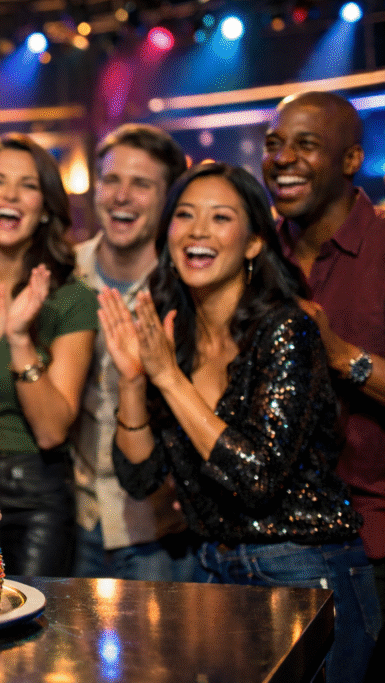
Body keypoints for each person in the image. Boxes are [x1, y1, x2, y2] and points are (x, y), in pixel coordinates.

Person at [103, 162, 379, 683]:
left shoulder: (287, 330)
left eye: (220, 217)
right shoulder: (172, 336)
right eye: (184, 215)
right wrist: (135, 381)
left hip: (305, 571)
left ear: (254, 243)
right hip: (214, 571)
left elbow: (257, 476)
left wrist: (168, 381)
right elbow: (139, 479)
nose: (198, 231)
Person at [263, 91, 385, 630]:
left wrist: (342, 356)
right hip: (278, 548)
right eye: (274, 144)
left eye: (305, 145)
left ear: (351, 160)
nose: (283, 158)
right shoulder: (254, 254)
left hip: (374, 545)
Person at [0, 133, 96, 577]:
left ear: (46, 209)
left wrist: (18, 338)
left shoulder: (70, 299)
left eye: (29, 185)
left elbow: (53, 430)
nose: (11, 194)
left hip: (34, 497)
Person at [71, 124, 196, 580]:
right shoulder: (65, 274)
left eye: (141, 184)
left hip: (159, 531)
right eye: (111, 180)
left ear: (167, 198)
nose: (121, 196)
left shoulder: (188, 287)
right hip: (79, 521)